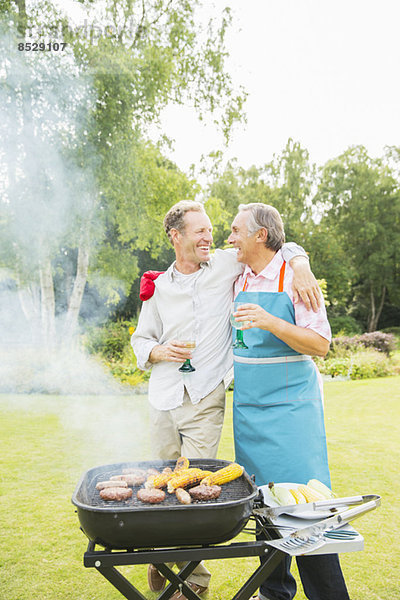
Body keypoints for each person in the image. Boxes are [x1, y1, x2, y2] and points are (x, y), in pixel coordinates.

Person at [131, 200, 320, 600]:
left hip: (205, 399)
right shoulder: (157, 286)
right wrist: (158, 352)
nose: (211, 237)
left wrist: (300, 261)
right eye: (199, 230)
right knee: (162, 482)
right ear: (175, 236)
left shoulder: (225, 265)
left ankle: (193, 582)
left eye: (212, 229)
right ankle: (162, 550)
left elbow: (273, 246)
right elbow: (140, 339)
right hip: (164, 397)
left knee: (197, 487)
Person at [228, 202, 350, 600]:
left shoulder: (294, 279)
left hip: (292, 413)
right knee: (262, 507)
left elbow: (320, 345)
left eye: (235, 231)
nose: (229, 239)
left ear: (259, 235)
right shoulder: (237, 274)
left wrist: (271, 319)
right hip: (250, 412)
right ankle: (274, 593)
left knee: (307, 511)